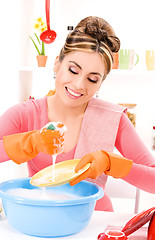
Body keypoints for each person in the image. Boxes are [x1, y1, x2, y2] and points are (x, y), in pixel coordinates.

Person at [0, 16, 155, 211]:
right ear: (57, 63)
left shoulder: (113, 118)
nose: (79, 85)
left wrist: (111, 163)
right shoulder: (25, 114)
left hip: (95, 221)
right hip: (43, 217)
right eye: (73, 70)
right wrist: (27, 142)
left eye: (92, 79)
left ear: (101, 83)